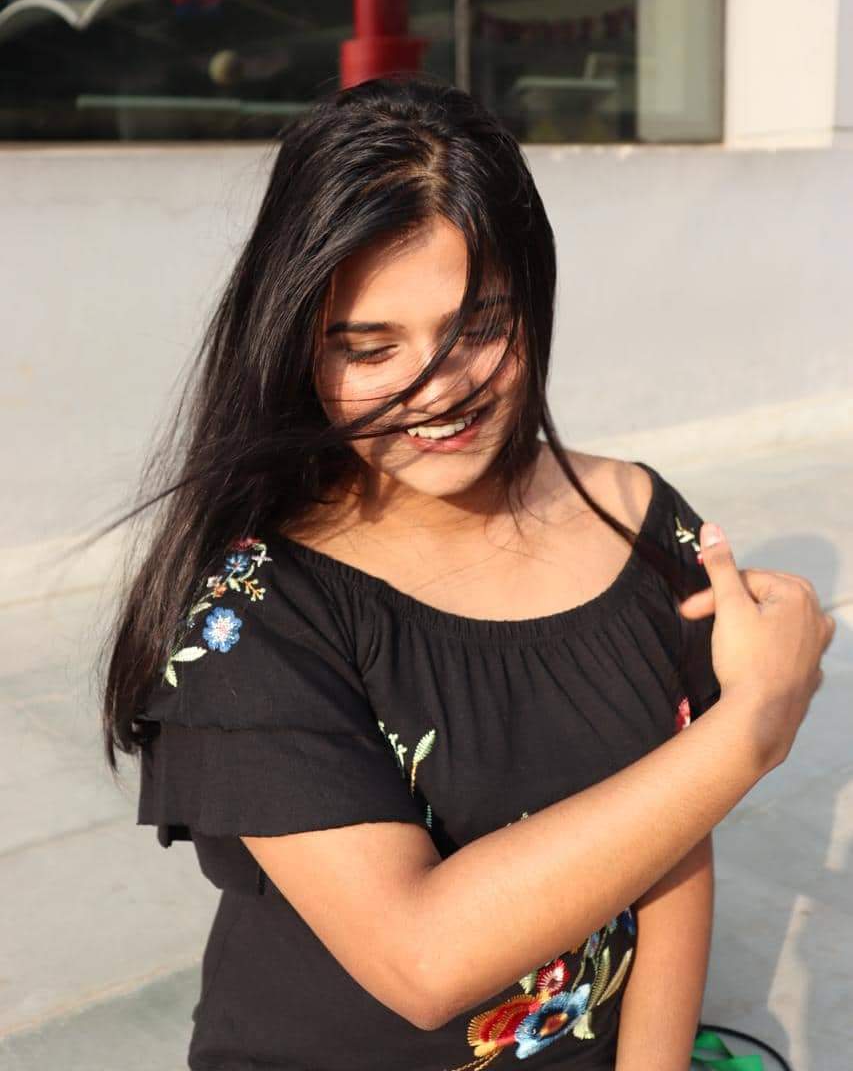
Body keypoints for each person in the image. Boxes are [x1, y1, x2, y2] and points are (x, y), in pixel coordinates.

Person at [99, 75, 834, 1071]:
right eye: (370, 349)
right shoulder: (250, 611)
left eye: (478, 329)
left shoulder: (633, 515)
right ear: (294, 345)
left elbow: (674, 830)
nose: (435, 391)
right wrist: (754, 723)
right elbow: (424, 958)